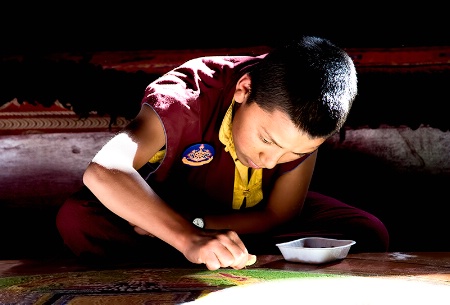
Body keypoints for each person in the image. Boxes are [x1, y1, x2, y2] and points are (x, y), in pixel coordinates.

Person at [56, 36, 389, 271]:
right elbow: (104, 170)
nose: (270, 162)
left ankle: (218, 253)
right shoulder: (190, 96)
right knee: (79, 219)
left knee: (366, 231)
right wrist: (187, 237)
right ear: (244, 90)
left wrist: (201, 226)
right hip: (163, 218)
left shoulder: (306, 116)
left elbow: (279, 214)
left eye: (297, 152)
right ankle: (204, 253)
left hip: (240, 221)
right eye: (267, 141)